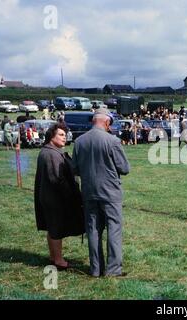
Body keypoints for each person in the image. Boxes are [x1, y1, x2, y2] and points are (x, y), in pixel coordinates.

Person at [72, 108, 130, 277]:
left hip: (89, 191)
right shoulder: (112, 141)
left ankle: (96, 269)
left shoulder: (79, 141)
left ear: (93, 121)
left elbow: (74, 169)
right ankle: (113, 270)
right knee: (114, 228)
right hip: (110, 192)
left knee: (93, 229)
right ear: (106, 122)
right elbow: (125, 168)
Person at [34, 123, 85, 270]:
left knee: (53, 228)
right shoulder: (51, 154)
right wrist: (71, 196)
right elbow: (56, 179)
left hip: (51, 198)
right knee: (56, 229)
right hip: (54, 199)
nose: (65, 138)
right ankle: (58, 261)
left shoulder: (50, 151)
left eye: (65, 135)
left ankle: (54, 257)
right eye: (61, 135)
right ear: (51, 136)